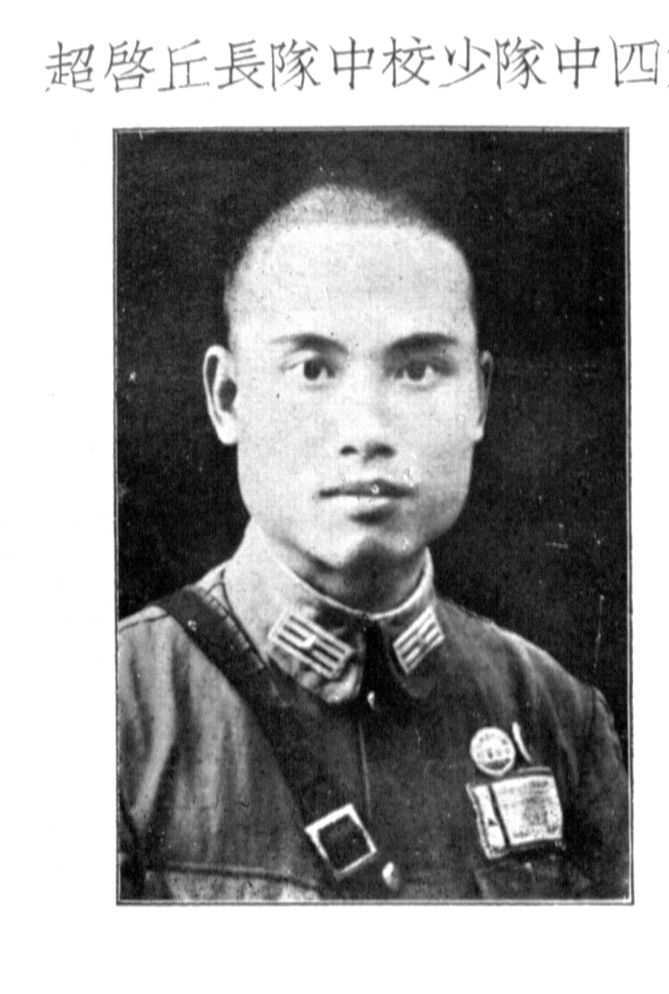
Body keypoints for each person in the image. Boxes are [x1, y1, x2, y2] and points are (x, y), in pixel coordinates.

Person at [118, 181, 629, 902]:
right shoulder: (115, 711)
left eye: (418, 370)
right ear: (228, 398)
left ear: (479, 398)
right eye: (312, 369)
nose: (366, 430)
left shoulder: (558, 717)